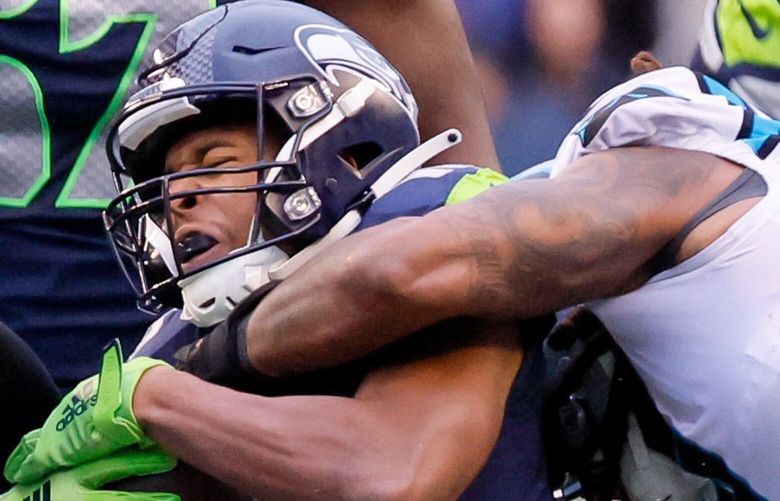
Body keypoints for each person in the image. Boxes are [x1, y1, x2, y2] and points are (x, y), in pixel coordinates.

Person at [164, 1, 780, 498]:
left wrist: (170, 383)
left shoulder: (684, 148)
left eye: (214, 165)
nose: (182, 202)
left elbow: (407, 270)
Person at [2, 2, 551, 499]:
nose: (180, 200)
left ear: (345, 152)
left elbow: (387, 476)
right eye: (166, 184)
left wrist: (153, 398)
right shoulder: (174, 336)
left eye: (213, 164)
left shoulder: (433, 227)